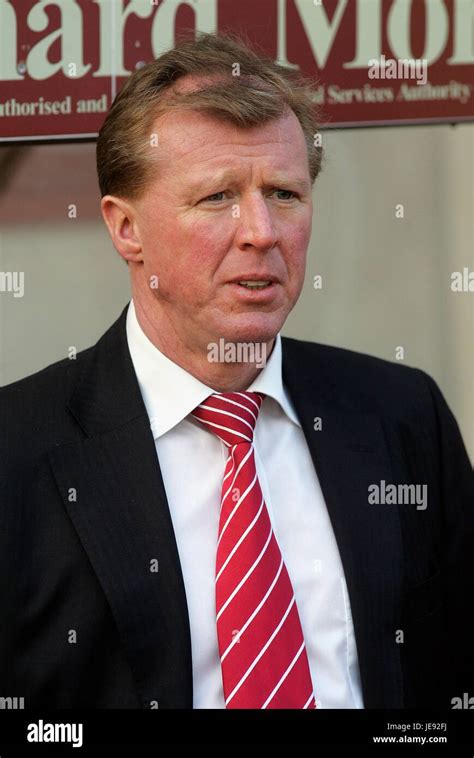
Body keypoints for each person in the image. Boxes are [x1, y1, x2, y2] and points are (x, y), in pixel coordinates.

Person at [1, 32, 472, 710]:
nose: (262, 231)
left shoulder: (401, 414)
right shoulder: (18, 450)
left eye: (284, 193)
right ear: (126, 228)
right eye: (218, 197)